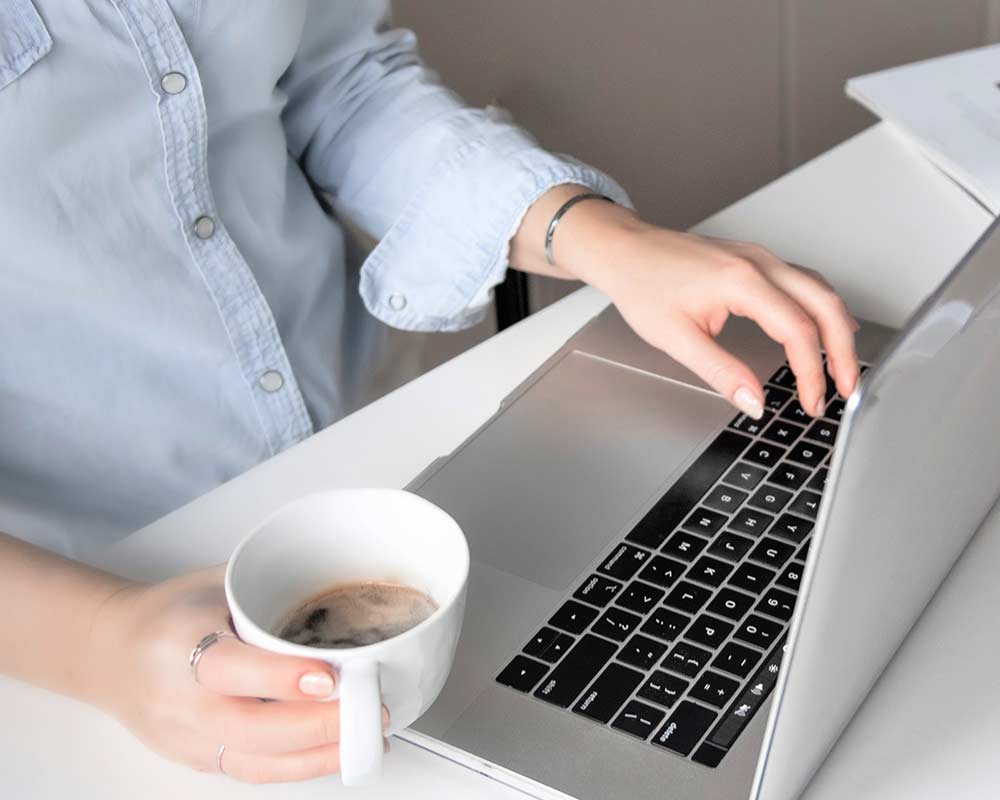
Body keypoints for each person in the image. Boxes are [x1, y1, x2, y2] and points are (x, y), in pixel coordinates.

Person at [0, 0, 859, 784]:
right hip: (100, 595)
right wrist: (101, 647)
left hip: (384, 425)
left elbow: (336, 87)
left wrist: (600, 237)